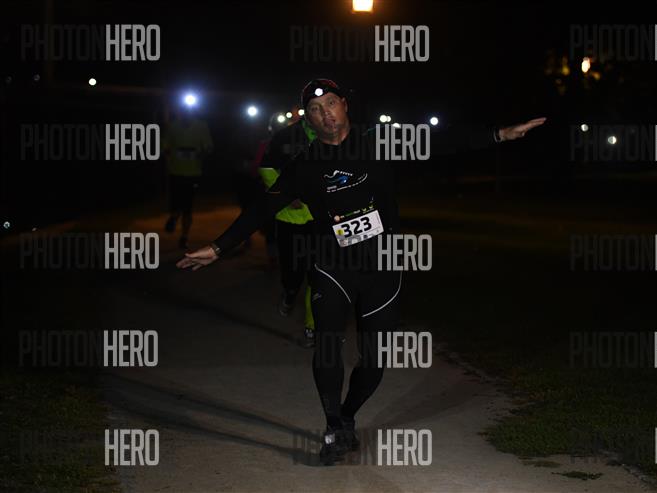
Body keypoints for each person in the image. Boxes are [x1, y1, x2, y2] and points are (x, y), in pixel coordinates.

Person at [177, 79, 545, 465]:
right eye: (316, 110)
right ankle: (333, 426)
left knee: (374, 360)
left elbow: (439, 141)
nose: (325, 114)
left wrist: (499, 134)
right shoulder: (305, 165)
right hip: (331, 267)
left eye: (331, 103)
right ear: (308, 120)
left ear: (344, 105)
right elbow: (261, 209)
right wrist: (218, 248)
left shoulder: (379, 142)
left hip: (381, 268)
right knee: (328, 344)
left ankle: (347, 416)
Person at [259, 115, 318, 347]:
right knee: (293, 273)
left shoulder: (333, 136)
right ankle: (290, 292)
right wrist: (285, 195)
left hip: (320, 221)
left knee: (317, 276)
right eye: (315, 108)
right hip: (289, 219)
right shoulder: (285, 136)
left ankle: (311, 327)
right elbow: (266, 168)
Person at [163, 107, 213, 249]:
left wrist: (202, 153)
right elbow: (164, 145)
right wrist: (168, 155)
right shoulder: (172, 126)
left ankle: (184, 236)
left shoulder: (201, 126)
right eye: (183, 111)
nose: (186, 114)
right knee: (176, 203)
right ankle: (174, 217)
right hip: (175, 172)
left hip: (193, 173)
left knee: (188, 207)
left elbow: (208, 146)